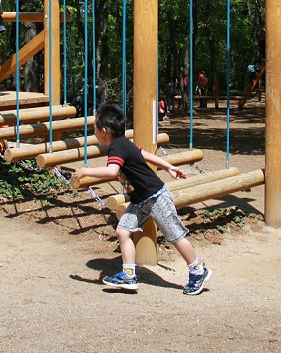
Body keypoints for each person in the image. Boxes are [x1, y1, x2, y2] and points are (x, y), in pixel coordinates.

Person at [72, 103, 211, 295]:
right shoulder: (123, 143)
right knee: (123, 231)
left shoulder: (117, 147)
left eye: (94, 129)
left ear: (103, 131)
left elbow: (112, 171)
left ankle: (198, 271)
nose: (94, 132)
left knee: (175, 236)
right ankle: (128, 275)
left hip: (155, 197)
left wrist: (86, 171)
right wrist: (168, 166)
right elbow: (144, 154)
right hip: (141, 201)